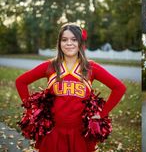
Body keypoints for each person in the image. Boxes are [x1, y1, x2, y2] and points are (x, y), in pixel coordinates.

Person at [15, 23, 126, 152]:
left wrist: (102, 114)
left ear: (80, 43)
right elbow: (21, 82)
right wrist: (30, 110)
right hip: (53, 132)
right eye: (64, 40)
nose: (69, 43)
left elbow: (119, 88)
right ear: (59, 43)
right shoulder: (50, 66)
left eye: (74, 39)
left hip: (80, 133)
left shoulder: (90, 68)